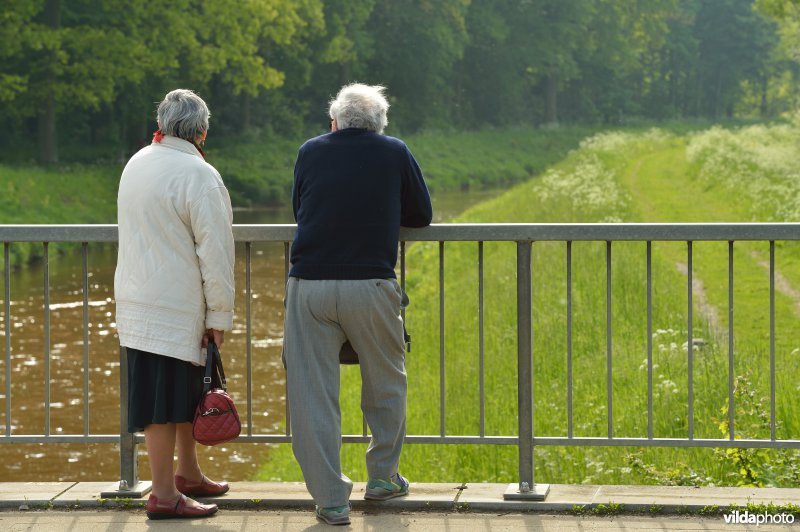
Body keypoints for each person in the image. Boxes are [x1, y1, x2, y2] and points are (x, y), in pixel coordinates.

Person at [283, 83, 433, 525]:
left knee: (312, 393)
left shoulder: (310, 151)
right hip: (370, 283)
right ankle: (383, 477)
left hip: (308, 283)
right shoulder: (395, 151)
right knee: (386, 382)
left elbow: (300, 208)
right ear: (380, 124)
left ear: (335, 121)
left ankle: (330, 499)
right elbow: (421, 215)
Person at [114, 89, 235, 520]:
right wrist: (220, 314)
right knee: (166, 402)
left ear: (162, 125)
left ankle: (188, 473)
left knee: (174, 393)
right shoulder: (200, 175)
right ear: (202, 131)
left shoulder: (137, 162)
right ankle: (164, 495)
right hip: (178, 305)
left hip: (137, 299)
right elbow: (215, 252)